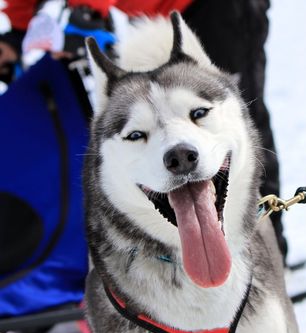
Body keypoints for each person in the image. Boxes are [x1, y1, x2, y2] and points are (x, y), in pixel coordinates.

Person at [0, 0, 286, 259]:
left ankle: (267, 254)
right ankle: (198, 252)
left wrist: (87, 9)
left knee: (233, 126)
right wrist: (18, 31)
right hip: (152, 13)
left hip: (214, 9)